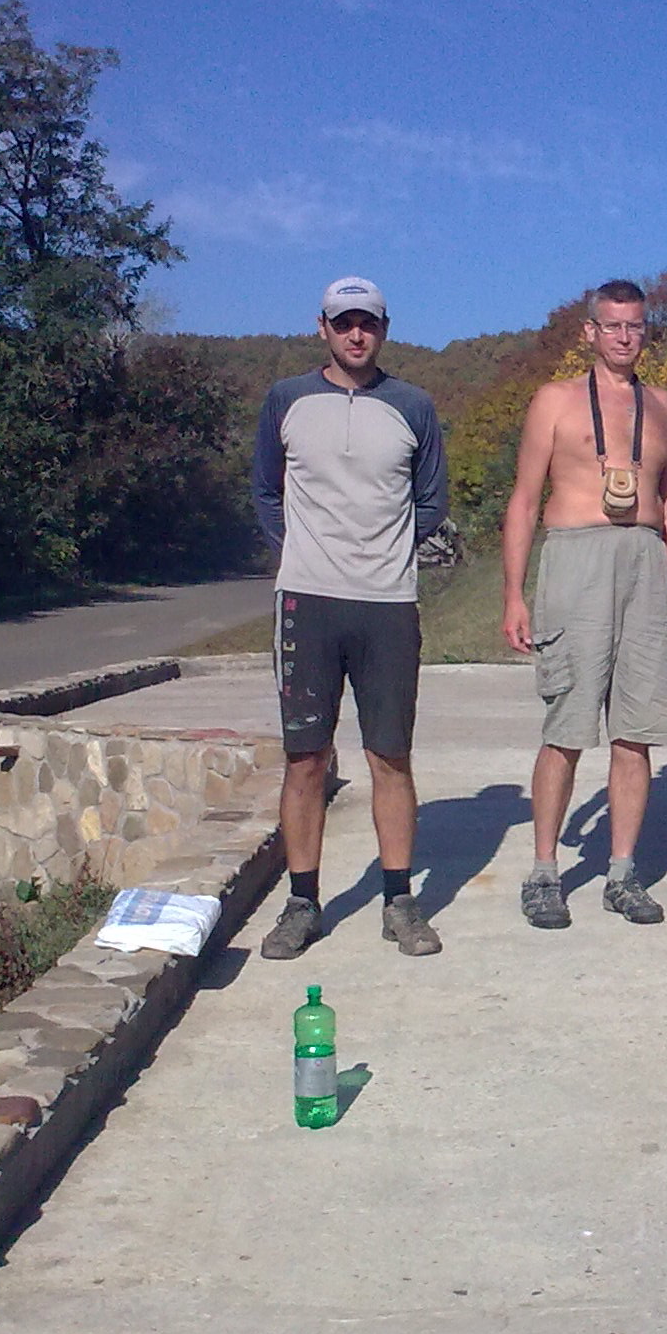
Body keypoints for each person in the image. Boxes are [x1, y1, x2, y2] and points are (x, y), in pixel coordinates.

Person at [251, 276, 448, 960]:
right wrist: (301, 552)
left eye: (368, 323)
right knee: (305, 759)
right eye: (344, 323)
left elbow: (431, 501)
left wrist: (381, 552)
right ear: (323, 327)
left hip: (388, 603)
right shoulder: (287, 399)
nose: (356, 334)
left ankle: (400, 902)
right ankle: (302, 903)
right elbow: (265, 490)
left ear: (384, 329)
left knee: (389, 756)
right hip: (307, 601)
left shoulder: (413, 406)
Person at [502, 279, 667, 929]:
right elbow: (524, 500)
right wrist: (513, 594)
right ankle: (544, 871)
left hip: (644, 560)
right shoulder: (554, 400)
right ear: (589, 331)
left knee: (636, 732)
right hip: (576, 559)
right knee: (567, 725)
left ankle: (621, 872)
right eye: (612, 325)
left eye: (634, 326)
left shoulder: (661, 405)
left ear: (646, 332)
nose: (623, 337)